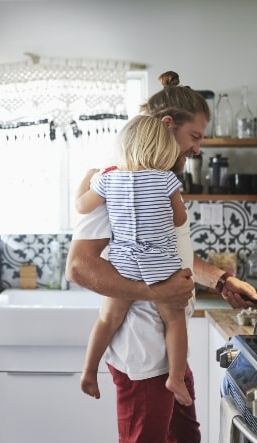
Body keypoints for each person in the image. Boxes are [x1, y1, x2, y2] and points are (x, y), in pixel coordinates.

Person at [66, 70, 257, 443]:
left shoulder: (160, 183)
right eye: (195, 137)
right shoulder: (116, 181)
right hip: (142, 351)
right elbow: (79, 268)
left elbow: (174, 256)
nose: (198, 149)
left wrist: (219, 280)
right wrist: (154, 292)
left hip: (168, 351)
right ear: (168, 127)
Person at [76, 115, 193, 407]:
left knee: (107, 319)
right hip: (161, 265)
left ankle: (90, 371)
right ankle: (176, 377)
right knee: (174, 320)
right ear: (164, 150)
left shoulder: (107, 180)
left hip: (124, 264)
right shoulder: (167, 179)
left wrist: (86, 179)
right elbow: (180, 218)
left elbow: (81, 206)